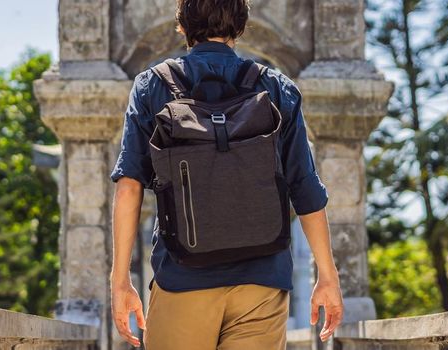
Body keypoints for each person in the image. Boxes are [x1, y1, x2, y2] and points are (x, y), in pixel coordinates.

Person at [108, 0, 344, 348]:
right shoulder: (277, 88)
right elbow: (305, 188)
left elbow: (129, 188)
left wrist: (120, 280)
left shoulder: (151, 87)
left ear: (182, 25)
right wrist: (327, 275)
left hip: (182, 276)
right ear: (241, 24)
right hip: (261, 281)